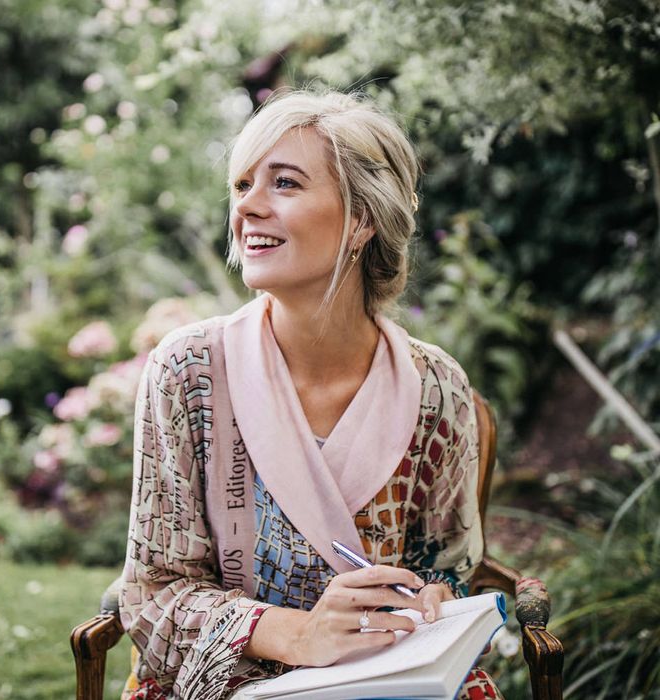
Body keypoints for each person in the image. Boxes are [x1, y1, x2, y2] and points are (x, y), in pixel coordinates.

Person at [118, 90, 503, 700]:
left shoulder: (438, 388)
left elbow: (447, 567)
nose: (248, 206)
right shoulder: (188, 372)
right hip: (233, 683)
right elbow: (152, 593)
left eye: (285, 184)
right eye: (241, 185)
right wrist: (300, 636)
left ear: (361, 220)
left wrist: (434, 598)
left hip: (389, 676)